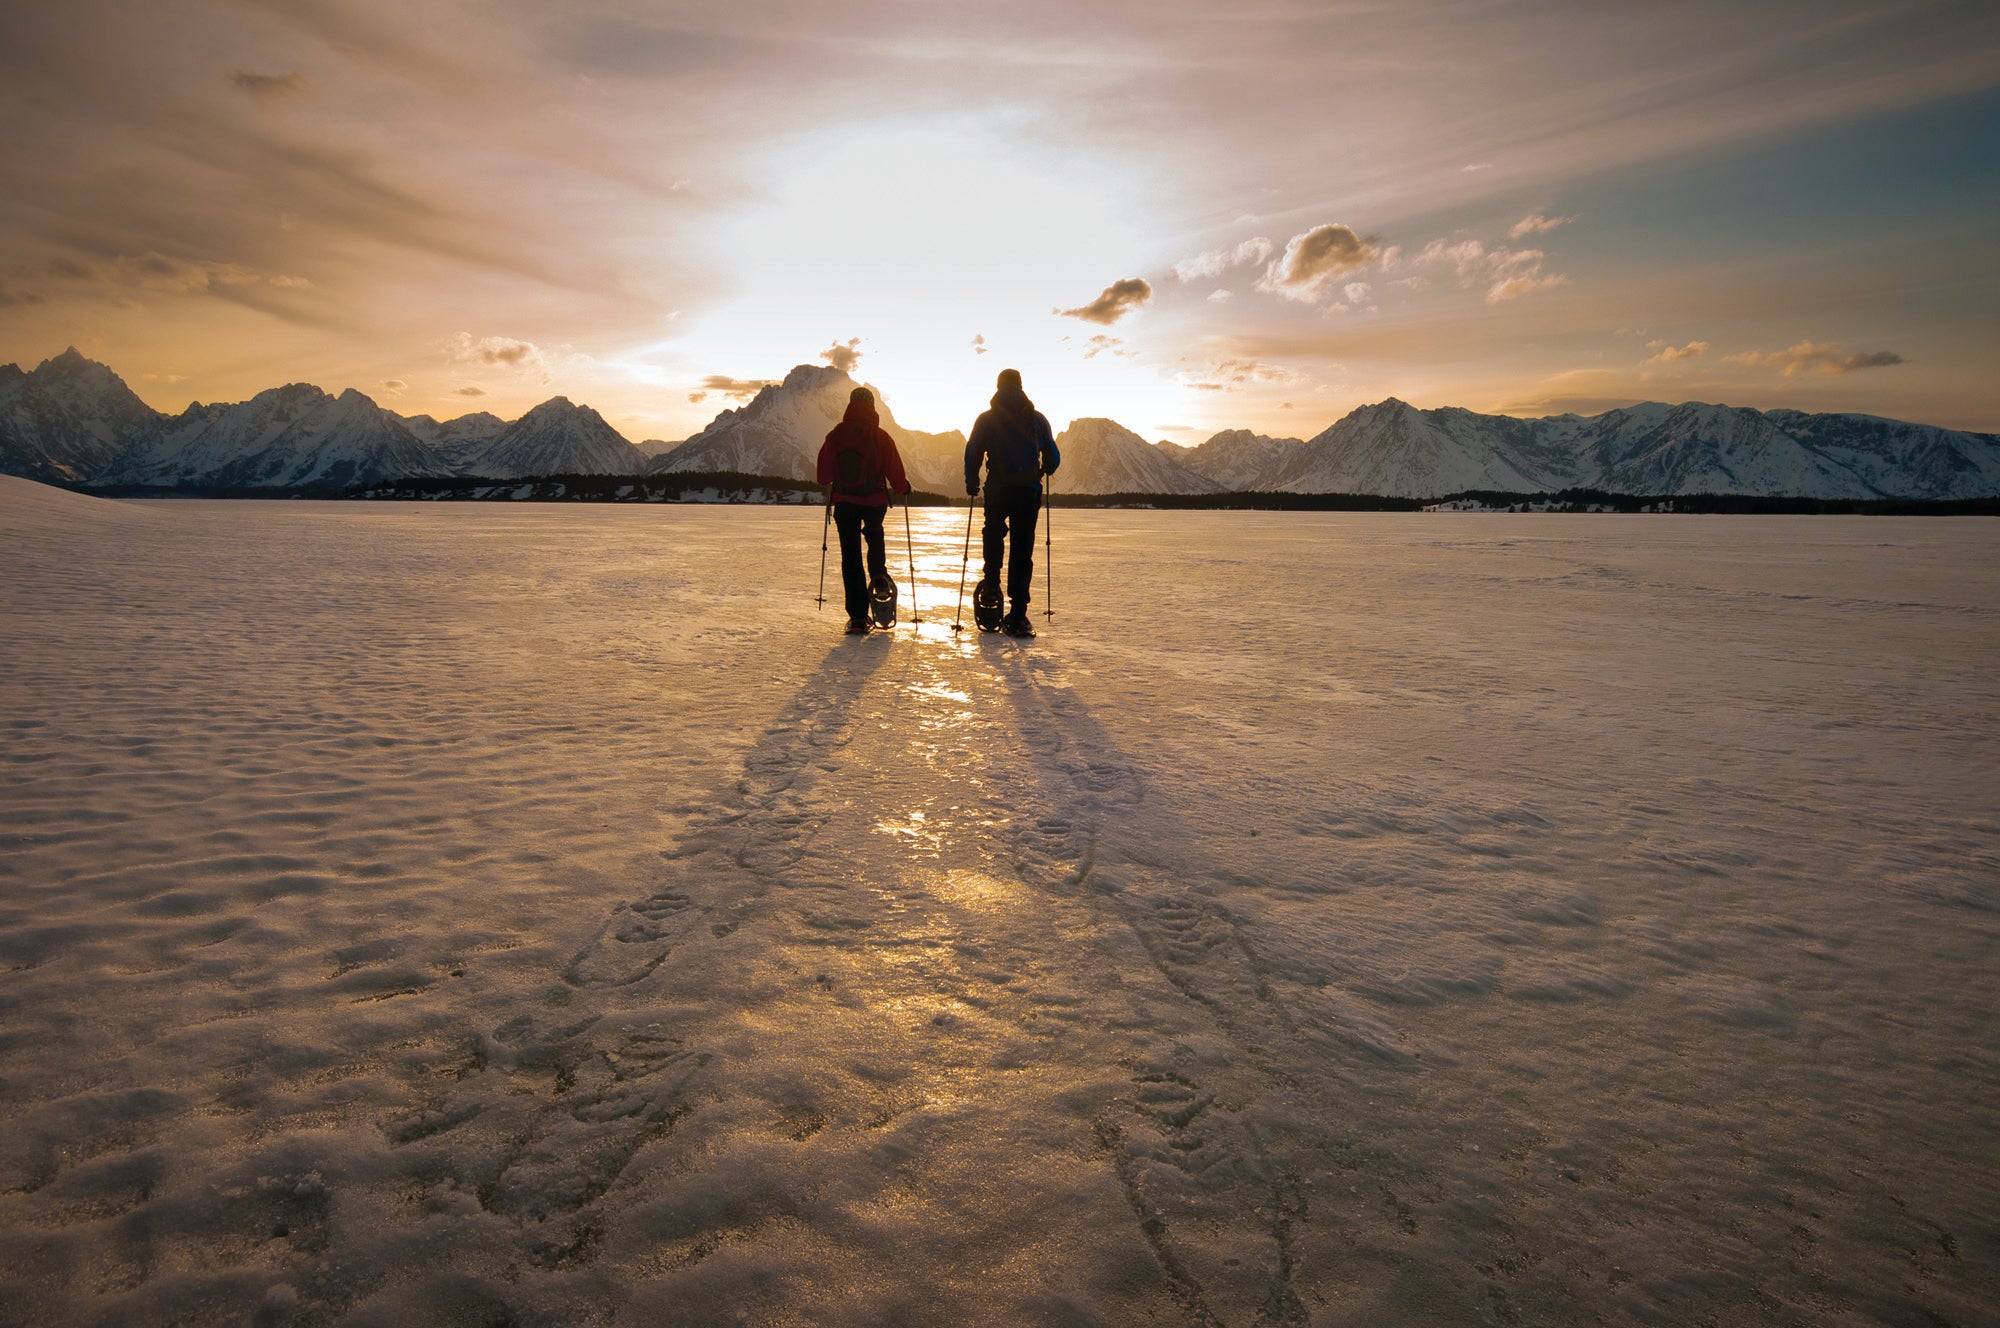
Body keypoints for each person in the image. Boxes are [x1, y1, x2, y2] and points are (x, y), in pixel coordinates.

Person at [964, 368, 1061, 637]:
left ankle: (992, 584)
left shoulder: (987, 419)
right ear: (1020, 386)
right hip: (1028, 493)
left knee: (993, 534)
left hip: (997, 490)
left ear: (998, 387)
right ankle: (1018, 614)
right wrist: (1046, 469)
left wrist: (971, 481)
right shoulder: (1036, 419)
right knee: (1022, 548)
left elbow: (972, 451)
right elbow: (1053, 457)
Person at [817, 386, 911, 634]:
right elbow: (895, 471)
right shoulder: (881, 436)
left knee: (851, 557)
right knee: (874, 534)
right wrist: (903, 487)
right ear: (872, 406)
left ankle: (858, 617)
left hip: (845, 503)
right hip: (874, 502)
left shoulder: (835, 435)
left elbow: (822, 476)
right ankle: (879, 577)